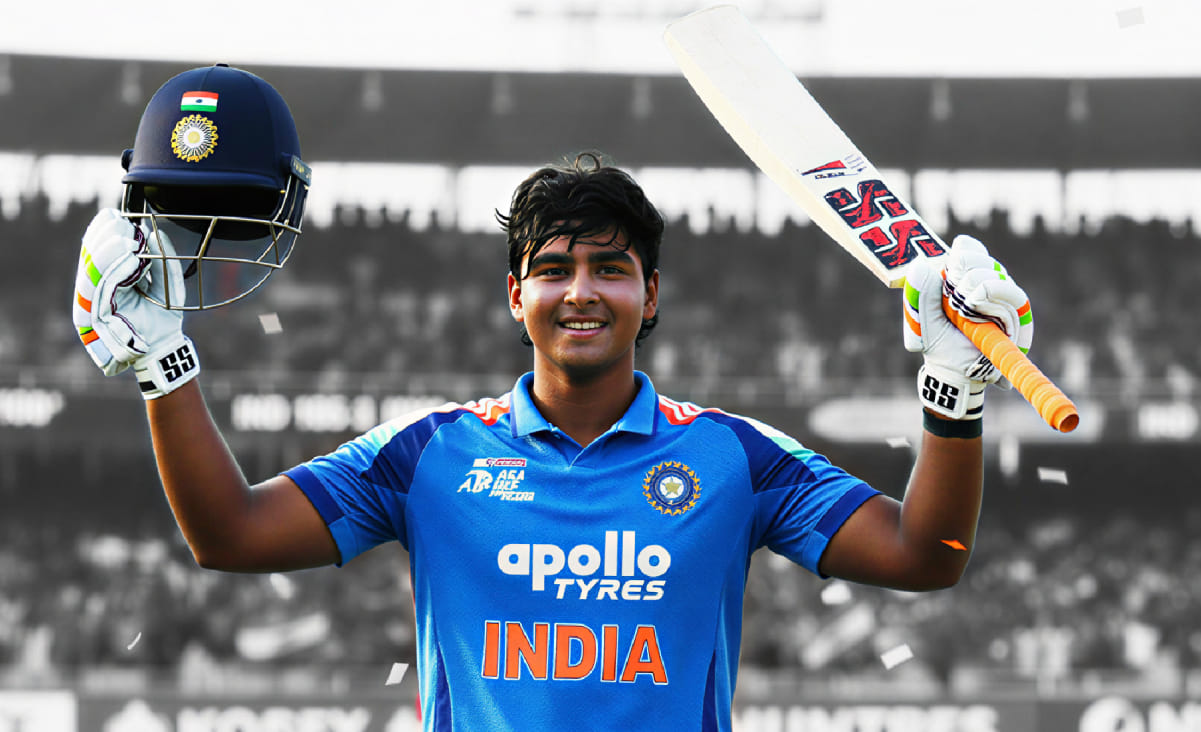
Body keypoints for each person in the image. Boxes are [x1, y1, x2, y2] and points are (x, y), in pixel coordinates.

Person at [75, 143, 1033, 728]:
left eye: (611, 268)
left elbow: (927, 556)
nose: (582, 291)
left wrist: (952, 391)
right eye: (555, 269)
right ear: (515, 294)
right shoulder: (427, 453)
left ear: (650, 296)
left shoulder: (734, 456)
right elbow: (228, 534)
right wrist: (163, 360)